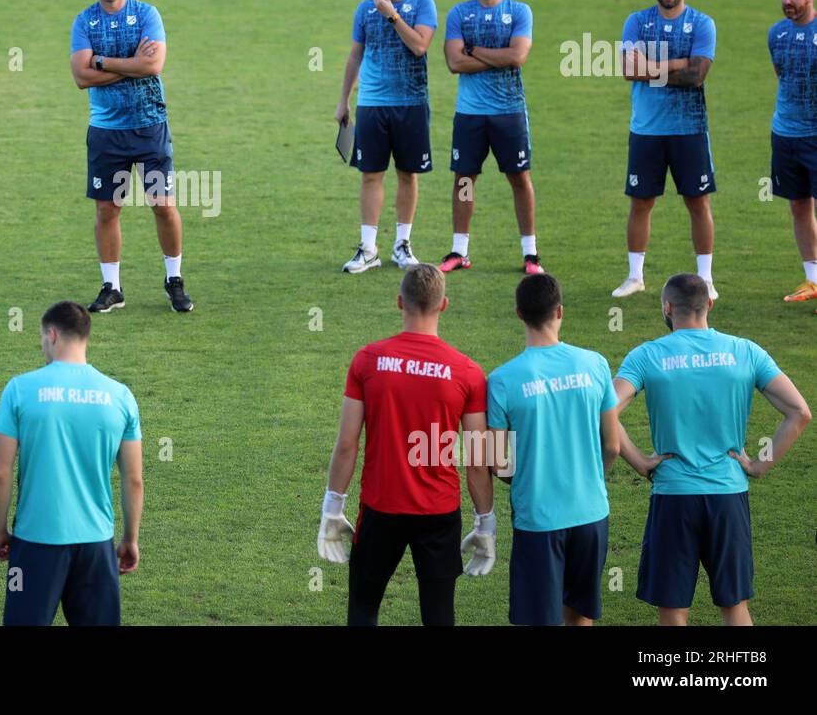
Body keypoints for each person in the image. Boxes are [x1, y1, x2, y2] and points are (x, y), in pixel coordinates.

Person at [614, 274, 811, 625]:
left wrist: (640, 461)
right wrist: (759, 465)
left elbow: (605, 410)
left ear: (668, 308)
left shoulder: (647, 356)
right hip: (728, 495)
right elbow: (799, 412)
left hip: (674, 496)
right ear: (710, 305)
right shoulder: (746, 352)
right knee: (734, 606)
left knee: (673, 610)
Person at [317, 263, 494, 625]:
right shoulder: (468, 372)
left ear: (400, 302)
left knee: (364, 608)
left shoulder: (368, 360)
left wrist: (333, 507)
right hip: (440, 513)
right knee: (439, 615)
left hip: (382, 509)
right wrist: (485, 523)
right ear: (444, 304)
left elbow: (347, 443)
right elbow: (478, 459)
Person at [0, 300, 143, 625]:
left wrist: (0, 531)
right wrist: (129, 539)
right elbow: (133, 480)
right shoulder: (120, 396)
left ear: (53, 335)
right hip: (96, 543)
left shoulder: (19, 390)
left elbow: (1, 474)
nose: (42, 346)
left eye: (42, 339)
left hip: (34, 542)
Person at [487, 274, 620, 626]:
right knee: (580, 617)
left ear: (518, 313)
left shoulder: (501, 380)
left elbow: (497, 463)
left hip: (538, 519)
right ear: (560, 311)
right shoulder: (595, 364)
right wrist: (589, 475)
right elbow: (613, 445)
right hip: (591, 513)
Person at [69, 0, 193, 313]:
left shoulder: (147, 14)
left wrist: (103, 62)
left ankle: (174, 280)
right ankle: (112, 287)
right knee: (107, 210)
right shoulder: (84, 21)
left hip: (149, 126)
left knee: (163, 205)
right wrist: (132, 66)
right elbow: (80, 77)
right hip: (106, 132)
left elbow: (154, 64)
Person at [613, 0, 718, 299]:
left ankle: (706, 278)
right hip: (647, 130)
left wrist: (653, 65)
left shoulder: (702, 24)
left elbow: (696, 76)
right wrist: (678, 62)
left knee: (697, 202)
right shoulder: (637, 21)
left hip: (689, 129)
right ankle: (635, 277)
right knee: (640, 202)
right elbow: (629, 69)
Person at [335, 0, 438, 274]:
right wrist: (344, 100)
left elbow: (419, 45)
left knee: (407, 174)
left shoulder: (423, 4)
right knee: (370, 174)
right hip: (372, 105)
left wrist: (392, 14)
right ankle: (368, 248)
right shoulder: (366, 8)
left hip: (410, 103)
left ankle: (402, 244)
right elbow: (355, 56)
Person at [441, 0, 542, 275]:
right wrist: (496, 55)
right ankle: (459, 251)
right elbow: (455, 63)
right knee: (465, 179)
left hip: (509, 111)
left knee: (518, 177)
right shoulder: (460, 14)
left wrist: (474, 51)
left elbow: (517, 57)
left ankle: (531, 254)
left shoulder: (519, 11)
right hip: (470, 114)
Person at [767, 0, 817, 309]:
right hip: (785, 133)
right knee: (798, 205)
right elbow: (781, 76)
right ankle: (813, 278)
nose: (787, 1)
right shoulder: (777, 34)